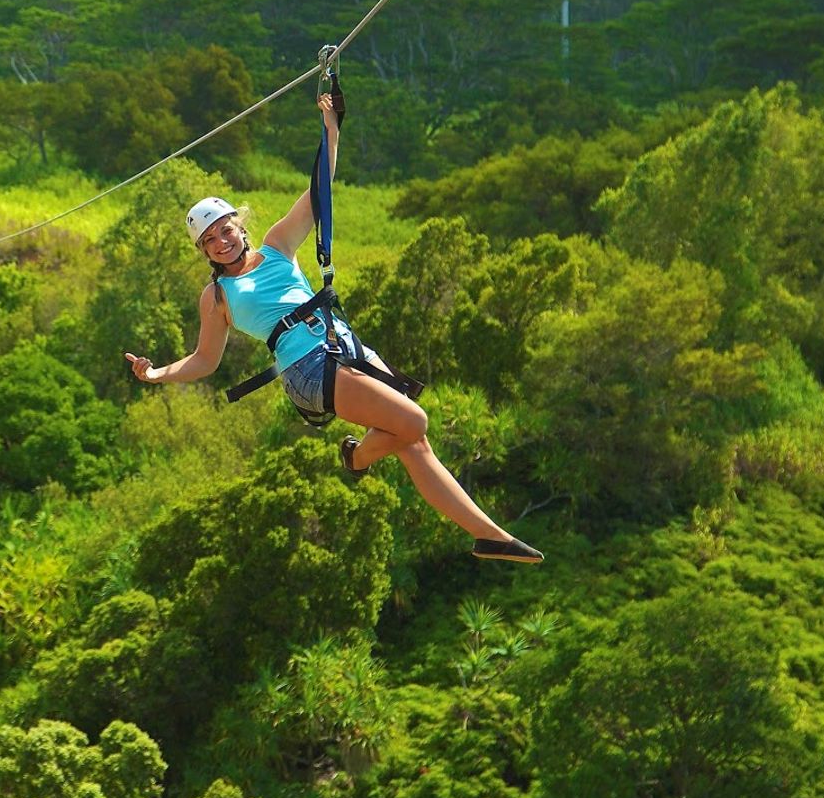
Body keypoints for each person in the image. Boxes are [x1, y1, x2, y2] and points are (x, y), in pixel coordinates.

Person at [124, 90, 542, 564]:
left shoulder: (277, 246)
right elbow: (204, 360)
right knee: (414, 420)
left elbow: (319, 190)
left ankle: (489, 537)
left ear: (240, 226)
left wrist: (331, 126)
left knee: (412, 439)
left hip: (342, 343)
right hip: (306, 368)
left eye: (225, 229)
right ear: (203, 252)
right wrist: (156, 374)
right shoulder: (217, 296)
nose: (221, 241)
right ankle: (358, 458)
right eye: (209, 240)